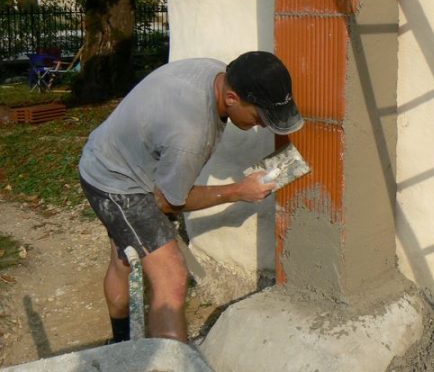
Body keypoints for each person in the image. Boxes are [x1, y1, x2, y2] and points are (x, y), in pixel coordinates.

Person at [78, 51, 303, 343]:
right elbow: (167, 202)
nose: (260, 124)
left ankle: (120, 344)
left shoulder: (216, 72)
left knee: (125, 257)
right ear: (232, 98)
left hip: (107, 153)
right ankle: (168, 360)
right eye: (259, 116)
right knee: (171, 278)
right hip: (117, 185)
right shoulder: (192, 134)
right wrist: (238, 191)